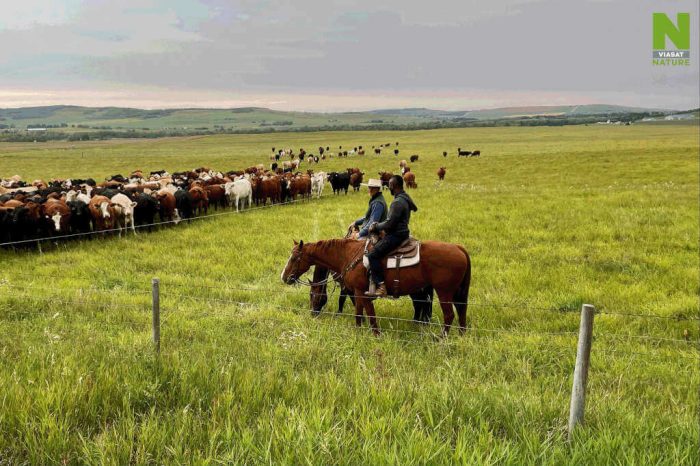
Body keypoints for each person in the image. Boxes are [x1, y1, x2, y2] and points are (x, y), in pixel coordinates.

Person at [365, 175, 418, 297]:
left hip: (396, 235)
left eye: (389, 185)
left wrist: (376, 226)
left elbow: (390, 223)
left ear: (393, 186)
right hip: (403, 233)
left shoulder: (397, 202)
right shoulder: (404, 198)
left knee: (372, 255)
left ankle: (381, 286)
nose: (388, 187)